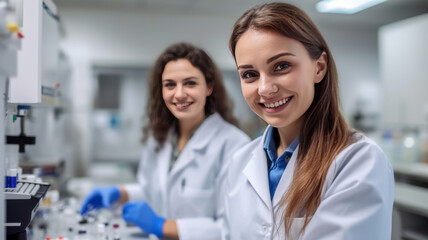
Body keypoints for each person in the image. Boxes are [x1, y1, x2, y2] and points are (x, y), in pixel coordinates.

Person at [223, 2, 394, 240]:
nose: (265, 88)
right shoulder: (239, 162)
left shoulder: (358, 160)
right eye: (250, 74)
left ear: (319, 67)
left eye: (281, 66)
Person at [80, 42, 250, 240]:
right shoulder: (160, 138)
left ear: (209, 87)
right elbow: (156, 193)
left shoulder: (234, 145)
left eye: (190, 83)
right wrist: (120, 193)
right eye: (170, 84)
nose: (179, 94)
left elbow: (231, 228)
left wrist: (161, 226)